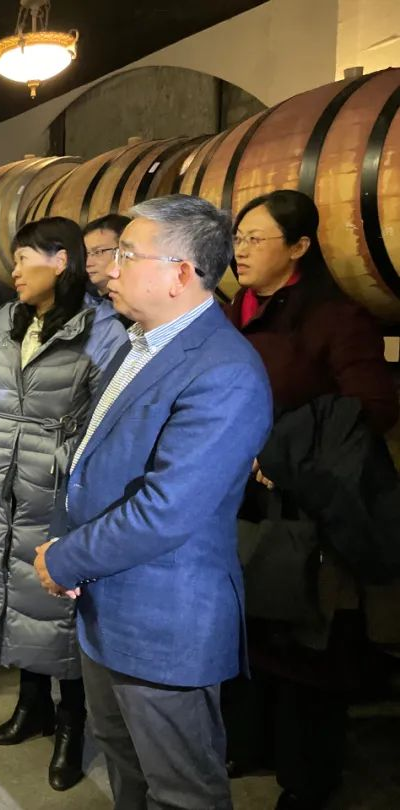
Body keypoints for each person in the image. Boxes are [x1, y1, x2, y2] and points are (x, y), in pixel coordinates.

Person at [35, 194, 273, 809]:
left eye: (126, 255)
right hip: (105, 600)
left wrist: (64, 559)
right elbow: (93, 457)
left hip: (163, 618)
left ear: (181, 273)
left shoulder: (224, 371)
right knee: (126, 767)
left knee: (181, 790)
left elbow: (165, 510)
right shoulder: (138, 341)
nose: (109, 269)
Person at [222, 189, 399, 810]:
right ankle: (252, 744)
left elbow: (372, 407)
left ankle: (308, 779)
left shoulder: (333, 318)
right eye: (238, 238)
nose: (241, 251)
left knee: (305, 646)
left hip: (303, 509)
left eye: (255, 239)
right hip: (239, 499)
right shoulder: (232, 312)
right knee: (248, 630)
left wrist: (282, 456)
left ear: (298, 247)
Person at [0, 218, 127, 791]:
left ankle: (71, 725)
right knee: (13, 593)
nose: (13, 270)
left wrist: (69, 479)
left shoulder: (101, 329)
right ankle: (29, 705)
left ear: (61, 261)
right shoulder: (6, 320)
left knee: (57, 604)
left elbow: (104, 421)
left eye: (24, 258)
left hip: (55, 488)